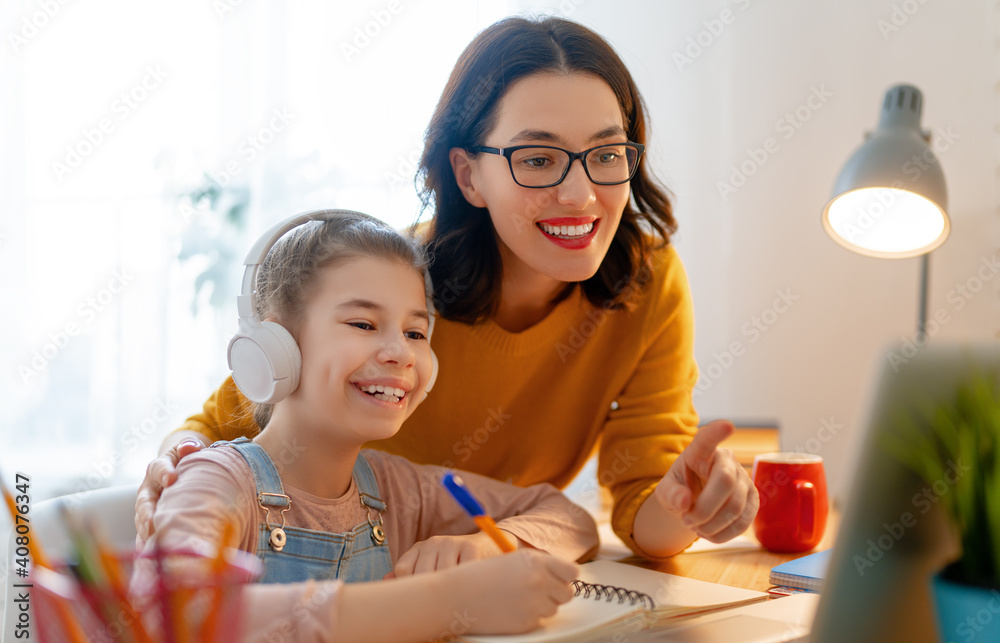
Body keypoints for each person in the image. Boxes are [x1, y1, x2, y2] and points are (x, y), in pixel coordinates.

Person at [137, 15, 758, 561]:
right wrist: (177, 464)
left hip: (484, 589)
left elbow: (647, 514)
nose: (580, 194)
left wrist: (689, 505)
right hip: (343, 576)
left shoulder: (647, 282)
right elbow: (218, 426)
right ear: (469, 175)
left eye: (606, 153)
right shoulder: (393, 278)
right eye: (538, 159)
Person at [135, 211, 598, 643]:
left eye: (415, 333)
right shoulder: (218, 481)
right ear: (276, 346)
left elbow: (568, 518)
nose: (399, 351)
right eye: (362, 323)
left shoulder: (398, 488)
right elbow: (173, 624)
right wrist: (446, 603)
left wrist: (483, 548)